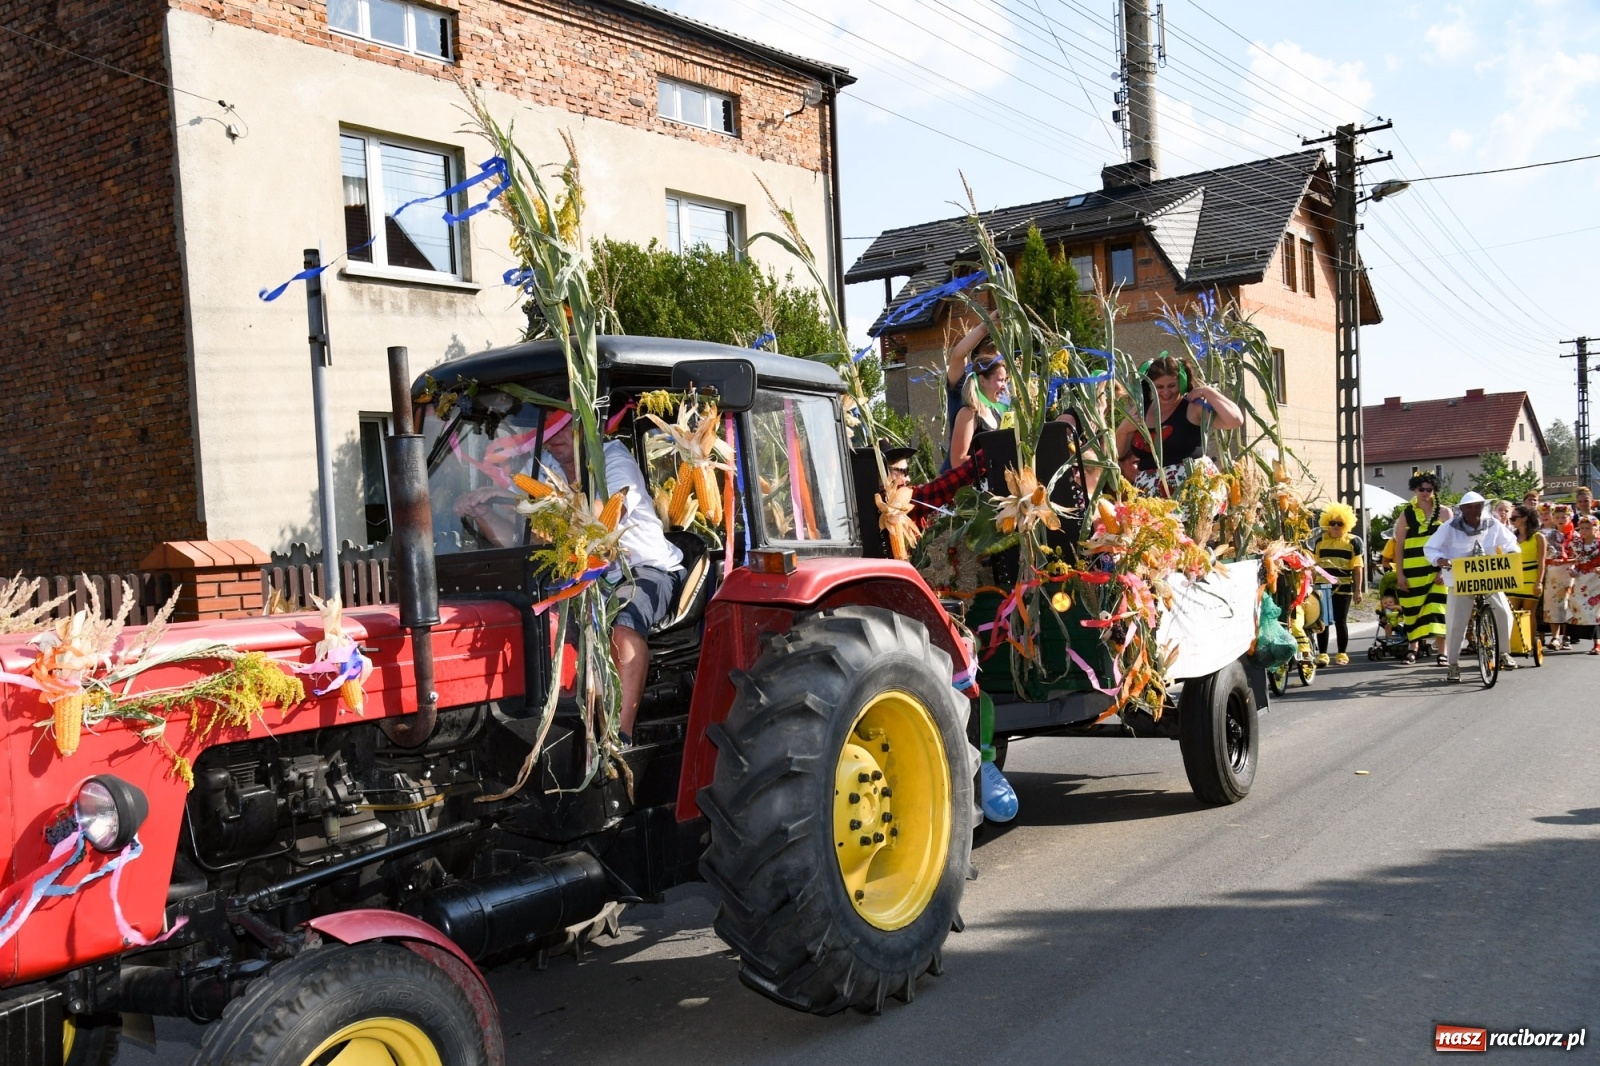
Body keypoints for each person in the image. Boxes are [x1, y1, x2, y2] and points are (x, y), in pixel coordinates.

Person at [540, 419, 685, 746]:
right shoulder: (545, 464)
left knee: (624, 621)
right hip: (582, 574)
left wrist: (553, 517)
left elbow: (604, 517)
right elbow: (522, 528)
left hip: (644, 569)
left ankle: (619, 738)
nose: (552, 436)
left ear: (584, 425)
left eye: (562, 425)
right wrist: (485, 509)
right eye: (545, 428)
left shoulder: (612, 457)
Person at [1424, 490, 1520, 681]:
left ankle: (1503, 653)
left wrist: (1511, 552)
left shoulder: (1492, 523)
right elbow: (1430, 547)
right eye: (1469, 507)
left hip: (1489, 576)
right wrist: (1440, 560)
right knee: (1455, 622)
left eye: (1478, 506)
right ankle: (1452, 664)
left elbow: (1510, 541)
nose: (1474, 510)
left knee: (1503, 612)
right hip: (1460, 579)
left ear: (1483, 507)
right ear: (1462, 509)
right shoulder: (1450, 527)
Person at [1114, 357, 1244, 488]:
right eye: (1159, 387)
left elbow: (1235, 420)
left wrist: (1207, 391)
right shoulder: (1141, 411)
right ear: (1150, 385)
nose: (1166, 392)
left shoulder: (1192, 408)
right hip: (1149, 493)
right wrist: (1124, 428)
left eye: (1172, 386)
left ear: (1182, 383)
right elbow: (1118, 453)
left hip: (1191, 489)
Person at [1392, 470, 1452, 665]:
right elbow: (1399, 546)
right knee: (1413, 611)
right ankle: (1413, 649)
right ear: (1414, 489)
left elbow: (1451, 544)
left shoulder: (1445, 512)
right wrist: (1399, 574)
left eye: (1429, 489)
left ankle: (1442, 652)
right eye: (1421, 489)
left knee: (1438, 609)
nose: (1425, 493)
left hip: (1437, 569)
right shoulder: (1406, 514)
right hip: (1412, 570)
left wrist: (1445, 570)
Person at [1310, 502, 1363, 666]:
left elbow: (1358, 567)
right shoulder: (1320, 541)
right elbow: (1314, 566)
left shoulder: (1353, 541)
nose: (1335, 526)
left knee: (1341, 621)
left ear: (1346, 524)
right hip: (1322, 587)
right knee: (1323, 621)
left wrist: (1358, 590)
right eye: (1332, 523)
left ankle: (1342, 654)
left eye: (1339, 523)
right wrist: (1310, 586)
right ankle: (1323, 654)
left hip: (1344, 587)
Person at [947, 353, 1010, 470]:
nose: (1004, 386)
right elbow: (958, 461)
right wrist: (995, 457)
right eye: (1000, 380)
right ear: (982, 381)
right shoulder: (968, 413)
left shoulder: (996, 413)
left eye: (1005, 381)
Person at [1508, 503, 1546, 648]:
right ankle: (1514, 644)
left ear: (1524, 518)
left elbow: (1542, 562)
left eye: (1514, 518)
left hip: (1531, 578)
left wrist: (1539, 582)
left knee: (1529, 613)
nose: (1512, 521)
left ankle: (1529, 643)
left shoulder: (1538, 537)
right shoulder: (1511, 537)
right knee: (1511, 612)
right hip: (1514, 579)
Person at [1541, 505, 1575, 651]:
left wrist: (1568, 560)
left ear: (1570, 517)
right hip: (1553, 572)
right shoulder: (1548, 536)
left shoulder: (1576, 536)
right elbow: (1543, 555)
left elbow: (1581, 556)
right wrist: (1550, 561)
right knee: (1552, 604)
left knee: (1568, 604)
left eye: (1563, 517)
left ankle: (1566, 637)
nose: (1560, 520)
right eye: (1557, 517)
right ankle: (1555, 637)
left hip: (1570, 572)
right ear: (1553, 519)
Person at [1570, 514, 1600, 654]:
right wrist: (1574, 570)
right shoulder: (1577, 544)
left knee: (1596, 611)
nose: (1584, 531)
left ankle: (1597, 644)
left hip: (1597, 580)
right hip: (1582, 581)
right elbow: (1577, 562)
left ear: (1596, 529)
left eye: (1588, 528)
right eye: (1581, 528)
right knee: (1583, 610)